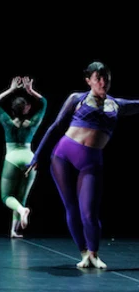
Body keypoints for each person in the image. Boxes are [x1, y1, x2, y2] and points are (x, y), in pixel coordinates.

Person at [26, 62, 139, 268]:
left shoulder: (117, 105)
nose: (103, 82)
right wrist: (38, 155)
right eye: (98, 78)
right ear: (89, 81)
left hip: (91, 162)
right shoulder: (77, 99)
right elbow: (56, 126)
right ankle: (84, 253)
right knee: (72, 207)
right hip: (62, 157)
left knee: (89, 212)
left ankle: (94, 253)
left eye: (106, 78)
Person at [0, 76, 47, 238]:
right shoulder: (33, 123)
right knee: (21, 197)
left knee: (6, 196)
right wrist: (31, 91)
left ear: (12, 109)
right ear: (27, 109)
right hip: (30, 158)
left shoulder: (7, 122)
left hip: (13, 158)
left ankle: (22, 211)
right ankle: (14, 230)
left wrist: (11, 89)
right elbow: (45, 103)